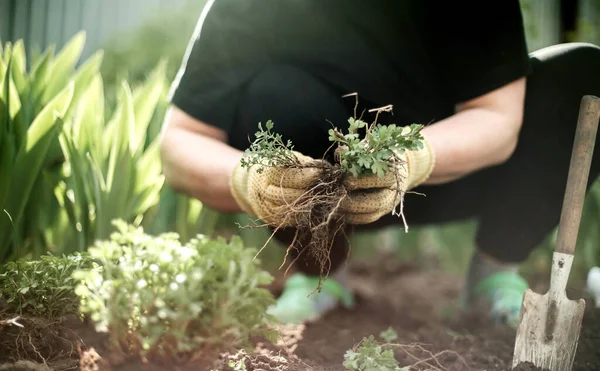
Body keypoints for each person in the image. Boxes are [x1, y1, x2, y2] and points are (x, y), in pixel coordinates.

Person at [159, 0, 600, 328]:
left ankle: (493, 275)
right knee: (269, 95)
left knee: (582, 77)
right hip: (317, 192)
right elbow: (179, 143)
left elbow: (499, 120)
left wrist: (411, 159)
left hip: (456, 172)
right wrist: (247, 179)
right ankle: (319, 275)